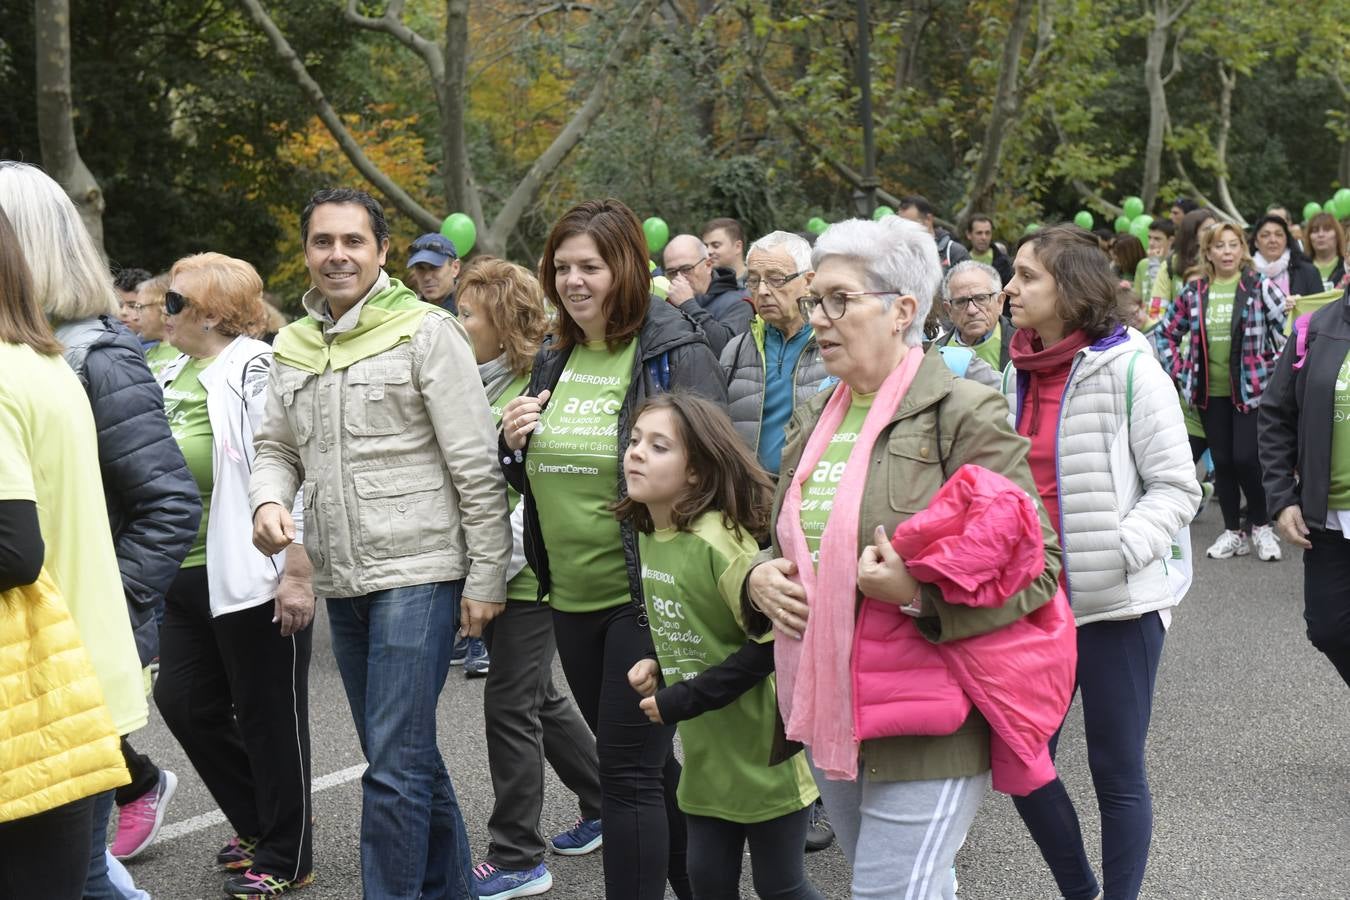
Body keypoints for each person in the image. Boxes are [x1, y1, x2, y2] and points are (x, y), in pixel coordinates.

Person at [744, 216, 1068, 899]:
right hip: (831, 705)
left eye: (839, 299)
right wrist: (753, 577)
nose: (820, 319)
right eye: (815, 302)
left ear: (902, 310)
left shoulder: (963, 412)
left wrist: (918, 595)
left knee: (888, 893)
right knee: (913, 888)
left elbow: (1040, 569)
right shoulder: (815, 418)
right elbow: (788, 546)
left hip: (930, 720)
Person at [251, 188, 509, 900]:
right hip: (344, 576)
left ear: (382, 251)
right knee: (404, 756)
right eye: (323, 242)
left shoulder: (425, 331)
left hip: (420, 571)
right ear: (306, 252)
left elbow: (475, 465)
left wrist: (487, 576)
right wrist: (268, 499)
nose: (337, 255)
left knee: (392, 766)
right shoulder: (293, 344)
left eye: (353, 242)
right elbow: (275, 446)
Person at [499, 198, 726, 900]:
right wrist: (509, 445)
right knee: (649, 769)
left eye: (590, 266)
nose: (573, 281)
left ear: (626, 266)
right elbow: (532, 473)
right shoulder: (555, 355)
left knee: (624, 773)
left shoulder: (670, 352)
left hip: (646, 592)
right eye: (562, 267)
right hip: (569, 593)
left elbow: (720, 471)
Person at [0, 161, 201, 871]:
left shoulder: (91, 354)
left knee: (73, 873)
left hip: (73, 646)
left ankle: (143, 787)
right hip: (41, 648)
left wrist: (107, 606)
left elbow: (168, 501)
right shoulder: (37, 352)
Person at [999, 225, 1201, 900]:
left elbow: (1177, 486)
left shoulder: (1131, 364)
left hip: (1119, 607)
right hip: (1033, 607)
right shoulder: (1012, 369)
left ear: (1070, 288)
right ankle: (1081, 890)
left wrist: (1115, 551)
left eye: (1027, 276)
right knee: (1025, 764)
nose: (1010, 288)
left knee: (1117, 771)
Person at [148, 252, 315, 898]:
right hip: (184, 573)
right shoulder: (172, 371)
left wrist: (295, 567)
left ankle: (288, 852)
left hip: (252, 567)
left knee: (270, 716)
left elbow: (286, 465)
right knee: (184, 702)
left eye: (172, 301)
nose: (161, 308)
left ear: (213, 313)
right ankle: (260, 819)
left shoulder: (253, 367)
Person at [619, 393, 824, 900]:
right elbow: (696, 630)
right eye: (634, 440)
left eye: (659, 446)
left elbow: (769, 646)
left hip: (765, 758)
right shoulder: (649, 532)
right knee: (708, 885)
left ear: (695, 472)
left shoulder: (716, 540)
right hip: (708, 764)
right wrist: (659, 666)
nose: (636, 453)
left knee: (783, 888)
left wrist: (682, 699)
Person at [454, 258, 604, 900]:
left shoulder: (532, 387)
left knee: (510, 707)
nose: (455, 324)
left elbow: (524, 501)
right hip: (498, 573)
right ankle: (608, 800)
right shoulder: (474, 382)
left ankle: (518, 854)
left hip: (523, 576)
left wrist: (487, 580)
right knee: (540, 696)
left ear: (502, 322)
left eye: (466, 314)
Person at [0, 205, 138, 900]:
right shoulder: (42, 360)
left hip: (34, 692)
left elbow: (14, 549)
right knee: (81, 879)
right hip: (75, 676)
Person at [1156, 221, 1287, 561]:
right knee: (1225, 463)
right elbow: (1165, 334)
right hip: (1208, 393)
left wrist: (1271, 367)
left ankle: (1261, 526)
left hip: (1251, 392)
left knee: (1248, 458)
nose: (1227, 252)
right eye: (1219, 246)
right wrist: (1182, 373)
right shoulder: (1194, 291)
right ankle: (1233, 532)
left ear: (1242, 249)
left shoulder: (1259, 286)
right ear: (1209, 253)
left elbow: (1288, 329)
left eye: (1233, 245)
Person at [1259, 282, 1350, 686]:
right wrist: (1282, 498)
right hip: (1327, 517)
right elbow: (1276, 414)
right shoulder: (1315, 327)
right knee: (1327, 627)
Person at [721, 230, 826, 477]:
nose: (763, 291)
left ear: (808, 281)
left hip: (809, 494)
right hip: (749, 495)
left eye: (776, 279)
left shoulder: (834, 345)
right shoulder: (736, 350)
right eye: (754, 280)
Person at [663, 233, 752, 354]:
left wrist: (688, 304)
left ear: (708, 265)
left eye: (687, 269)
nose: (679, 278)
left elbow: (728, 350)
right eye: (672, 272)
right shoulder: (666, 304)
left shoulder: (739, 302)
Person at [934, 260, 1013, 372]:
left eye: (981, 298)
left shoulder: (1027, 343)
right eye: (961, 302)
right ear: (949, 310)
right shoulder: (936, 354)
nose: (972, 310)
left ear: (1000, 302)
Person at [1148, 207, 1216, 326]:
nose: (1214, 233)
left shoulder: (1225, 262)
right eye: (1207, 229)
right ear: (1192, 234)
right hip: (1180, 337)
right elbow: (1157, 308)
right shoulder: (1171, 264)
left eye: (1215, 228)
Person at [1250, 213, 1322, 300]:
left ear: (1287, 240)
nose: (1273, 240)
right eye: (1265, 235)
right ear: (1256, 242)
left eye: (1279, 234)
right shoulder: (1245, 274)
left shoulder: (1308, 272)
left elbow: (1320, 310)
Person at [898, 195, 970, 269]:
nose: (905, 230)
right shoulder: (898, 254)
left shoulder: (955, 253)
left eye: (910, 225)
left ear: (928, 219)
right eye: (901, 225)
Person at [406, 232, 462, 313]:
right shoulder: (411, 310)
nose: (427, 277)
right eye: (420, 268)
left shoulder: (469, 309)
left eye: (435, 267)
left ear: (455, 268)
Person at [1134, 220, 1173, 311]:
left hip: (1163, 319)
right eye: (1149, 238)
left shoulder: (1174, 265)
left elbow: (1162, 295)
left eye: (1157, 239)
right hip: (1143, 320)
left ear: (1171, 241)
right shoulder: (1143, 264)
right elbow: (1137, 297)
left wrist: (1154, 262)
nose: (1151, 243)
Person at [1304, 211, 1347, 291]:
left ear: (1337, 235)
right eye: (1315, 230)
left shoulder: (1347, 266)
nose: (1321, 235)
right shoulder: (1300, 269)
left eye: (1327, 230)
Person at [965, 214, 1012, 284]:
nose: (984, 237)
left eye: (987, 233)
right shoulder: (961, 260)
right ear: (969, 234)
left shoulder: (1004, 262)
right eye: (979, 233)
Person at [702, 217, 748, 285]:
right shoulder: (704, 285)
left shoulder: (758, 283)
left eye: (716, 245)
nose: (709, 251)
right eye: (706, 246)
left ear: (738, 247)